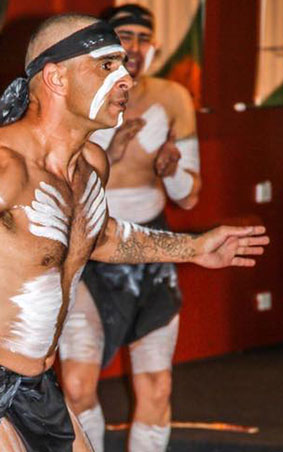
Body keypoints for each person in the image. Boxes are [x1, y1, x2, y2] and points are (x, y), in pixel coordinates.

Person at [0, 14, 268, 452]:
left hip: (34, 385)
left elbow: (102, 237)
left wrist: (194, 247)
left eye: (124, 64)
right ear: (55, 78)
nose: (126, 77)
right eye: (107, 65)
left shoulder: (90, 164)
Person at [58, 5, 201, 451]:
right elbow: (52, 184)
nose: (134, 46)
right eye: (125, 36)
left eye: (143, 37)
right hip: (90, 244)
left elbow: (190, 196)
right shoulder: (75, 97)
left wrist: (171, 169)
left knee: (156, 386)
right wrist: (109, 158)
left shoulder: (174, 97)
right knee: (78, 387)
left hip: (150, 248)